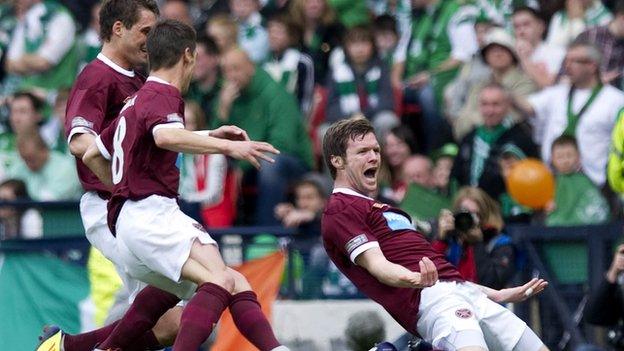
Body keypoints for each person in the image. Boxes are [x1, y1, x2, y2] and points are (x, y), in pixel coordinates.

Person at [83, 19, 289, 351]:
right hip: (153, 215)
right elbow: (164, 136)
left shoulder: (135, 103)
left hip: (129, 225)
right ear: (188, 56)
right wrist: (227, 147)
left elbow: (94, 153)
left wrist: (209, 134)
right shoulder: (164, 94)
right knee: (220, 278)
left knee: (231, 281)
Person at [321, 116, 549, 350]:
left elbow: (445, 275)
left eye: (376, 150)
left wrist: (498, 295)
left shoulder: (385, 208)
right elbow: (379, 267)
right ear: (337, 161)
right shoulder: (340, 209)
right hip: (431, 301)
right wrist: (416, 279)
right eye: (362, 152)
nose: (374, 157)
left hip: (467, 293)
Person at [35, 1, 175, 350]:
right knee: (183, 301)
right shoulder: (96, 78)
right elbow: (81, 143)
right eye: (146, 31)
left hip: (139, 208)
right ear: (118, 29)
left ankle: (65, 346)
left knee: (168, 321)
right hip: (113, 209)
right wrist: (123, 189)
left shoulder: (141, 78)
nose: (151, 40)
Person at [212, 48, 314, 225]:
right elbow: (213, 141)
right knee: (211, 162)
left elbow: (282, 143)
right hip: (247, 161)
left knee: (271, 163)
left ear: (251, 67)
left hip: (293, 162)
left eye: (236, 69)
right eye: (226, 70)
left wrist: (242, 165)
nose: (230, 76)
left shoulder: (275, 93)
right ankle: (215, 230)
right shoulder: (227, 97)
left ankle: (266, 235)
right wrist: (222, 112)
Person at [515, 41, 624, 187]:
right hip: (554, 181)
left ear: (592, 66)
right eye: (566, 60)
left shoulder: (616, 100)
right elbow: (529, 107)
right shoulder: (558, 92)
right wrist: (505, 96)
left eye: (574, 61)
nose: (567, 65)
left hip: (594, 185)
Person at [392, 0, 479, 152]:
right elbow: (401, 53)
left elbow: (463, 55)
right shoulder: (418, 15)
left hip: (446, 79)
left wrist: (430, 75)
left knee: (427, 94)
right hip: (412, 82)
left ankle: (434, 151)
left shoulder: (457, 12)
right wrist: (395, 81)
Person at [452, 83, 538, 200]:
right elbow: (456, 175)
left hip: (505, 213)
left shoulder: (521, 139)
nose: (489, 110)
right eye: (485, 104)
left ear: (507, 105)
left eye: (496, 104)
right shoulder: (469, 137)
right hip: (470, 208)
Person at [433, 187, 517, 290]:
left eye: (474, 215)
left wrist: (477, 243)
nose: (467, 219)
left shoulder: (499, 243)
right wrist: (441, 240)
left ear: (484, 216)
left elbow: (492, 283)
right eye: (464, 212)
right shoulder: (450, 238)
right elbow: (428, 275)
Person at [325, 25, 398, 137]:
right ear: (346, 47)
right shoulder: (336, 71)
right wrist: (351, 117)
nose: (359, 49)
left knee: (388, 120)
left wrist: (363, 115)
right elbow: (331, 108)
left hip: (374, 119)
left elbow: (387, 102)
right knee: (324, 131)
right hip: (345, 122)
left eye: (364, 43)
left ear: (373, 46)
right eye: (354, 43)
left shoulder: (381, 68)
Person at [5, 0, 78, 94]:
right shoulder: (28, 17)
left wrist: (23, 59)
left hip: (57, 97)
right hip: (27, 94)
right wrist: (33, 61)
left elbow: (44, 62)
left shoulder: (61, 17)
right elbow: (9, 64)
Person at [545, 135, 610, 226]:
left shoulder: (585, 182)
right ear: (552, 159)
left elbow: (597, 210)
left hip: (585, 233)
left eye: (569, 155)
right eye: (560, 157)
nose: (565, 160)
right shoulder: (549, 183)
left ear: (578, 156)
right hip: (556, 233)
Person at [263, 13, 315, 118]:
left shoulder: (301, 62)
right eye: (271, 32)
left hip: (294, 118)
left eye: (279, 32)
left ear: (291, 36)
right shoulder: (264, 63)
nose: (273, 36)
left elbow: (306, 98)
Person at [6, 131, 81, 201]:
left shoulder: (65, 168)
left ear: (44, 150)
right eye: (24, 159)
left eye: (31, 158)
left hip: (63, 213)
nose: (28, 163)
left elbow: (49, 200)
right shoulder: (19, 168)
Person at [511, 6, 565, 88]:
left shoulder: (557, 53)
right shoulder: (509, 54)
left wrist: (524, 59)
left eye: (526, 24)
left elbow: (549, 85)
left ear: (541, 26)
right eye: (516, 27)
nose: (521, 31)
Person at [575, 0, 624, 88]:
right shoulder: (591, 35)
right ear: (621, 17)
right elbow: (564, 74)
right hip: (583, 91)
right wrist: (597, 80)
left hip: (613, 96)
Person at [546, 0, 612, 48]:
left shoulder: (606, 18)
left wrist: (577, 21)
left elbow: (584, 47)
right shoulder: (559, 16)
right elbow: (552, 46)